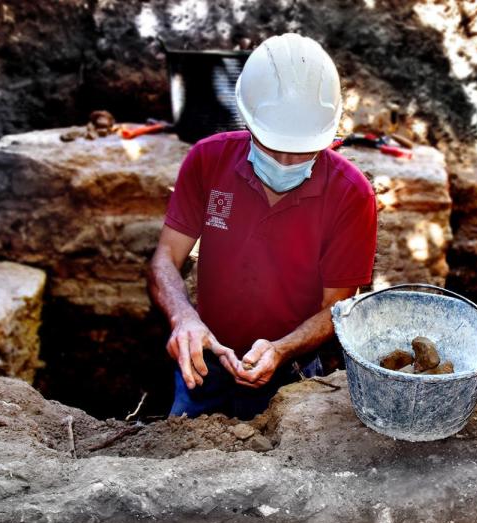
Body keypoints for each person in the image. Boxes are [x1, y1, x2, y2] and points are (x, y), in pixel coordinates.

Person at [148, 33, 377, 420]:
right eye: (273, 145)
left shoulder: (351, 194)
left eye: (303, 148)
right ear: (248, 120)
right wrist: (183, 318)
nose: (287, 161)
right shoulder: (208, 160)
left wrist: (282, 348)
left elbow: (336, 307)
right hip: (204, 361)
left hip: (293, 373)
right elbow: (164, 260)